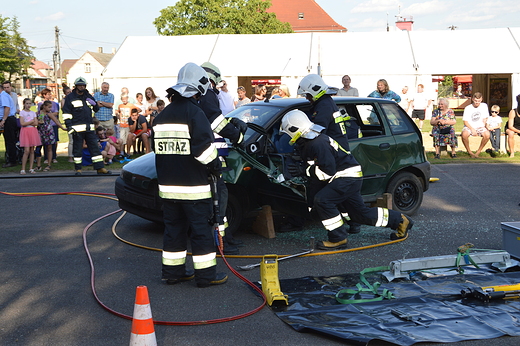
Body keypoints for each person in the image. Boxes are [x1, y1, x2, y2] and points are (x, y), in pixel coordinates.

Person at [280, 110, 414, 250]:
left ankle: (338, 238)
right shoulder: (311, 141)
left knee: (323, 200)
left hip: (346, 177)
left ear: (293, 129)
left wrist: (304, 171)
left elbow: (327, 172)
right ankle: (400, 221)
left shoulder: (317, 143)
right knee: (359, 214)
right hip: (350, 176)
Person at [155, 62, 227, 288]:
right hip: (194, 188)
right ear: (199, 88)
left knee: (173, 231)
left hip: (168, 188)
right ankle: (205, 276)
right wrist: (216, 165)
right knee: (201, 231)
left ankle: (173, 273)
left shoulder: (162, 115)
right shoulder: (195, 113)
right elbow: (203, 150)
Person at [293, 74, 361, 234]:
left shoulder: (323, 105)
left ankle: (302, 220)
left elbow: (316, 131)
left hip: (333, 153)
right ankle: (354, 221)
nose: (307, 98)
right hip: (338, 151)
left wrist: (299, 141)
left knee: (327, 190)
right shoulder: (325, 102)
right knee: (344, 194)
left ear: (314, 91)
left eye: (308, 95)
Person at [200, 62, 248, 254]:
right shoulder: (208, 93)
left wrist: (231, 120)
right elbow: (215, 121)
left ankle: (225, 238)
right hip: (211, 157)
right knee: (218, 200)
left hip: (209, 155)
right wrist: (237, 135)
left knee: (221, 198)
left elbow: (213, 120)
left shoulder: (198, 95)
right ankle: (220, 243)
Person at [62, 77, 111, 175]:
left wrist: (94, 104)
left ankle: (100, 168)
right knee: (77, 149)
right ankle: (78, 169)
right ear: (76, 86)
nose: (82, 87)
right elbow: (66, 113)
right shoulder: (70, 97)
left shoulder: (88, 95)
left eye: (83, 85)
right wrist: (69, 127)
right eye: (80, 85)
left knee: (95, 148)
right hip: (77, 128)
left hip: (89, 128)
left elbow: (96, 109)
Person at [36, 101, 66, 172]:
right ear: (44, 106)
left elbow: (56, 121)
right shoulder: (38, 113)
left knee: (49, 148)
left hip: (48, 131)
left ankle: (49, 164)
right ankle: (38, 165)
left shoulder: (49, 114)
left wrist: (62, 128)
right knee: (38, 148)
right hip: (40, 131)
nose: (50, 108)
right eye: (49, 107)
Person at [461, 92, 490, 158]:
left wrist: (486, 124)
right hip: (470, 126)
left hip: (481, 126)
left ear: (481, 99)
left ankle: (478, 152)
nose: (477, 102)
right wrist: (472, 129)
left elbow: (486, 117)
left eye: (479, 101)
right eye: (476, 101)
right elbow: (465, 122)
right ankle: (469, 152)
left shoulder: (484, 106)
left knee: (487, 135)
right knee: (464, 134)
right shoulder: (468, 108)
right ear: (473, 99)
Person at [19, 98, 41, 174]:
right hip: (25, 131)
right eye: (27, 103)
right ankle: (23, 168)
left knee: (32, 150)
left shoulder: (33, 113)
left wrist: (29, 122)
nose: (28, 105)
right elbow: (22, 123)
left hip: (32, 131)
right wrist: (31, 121)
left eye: (29, 103)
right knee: (26, 150)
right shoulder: (22, 113)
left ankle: (31, 168)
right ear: (24, 104)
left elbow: (36, 123)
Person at [38, 88, 60, 163]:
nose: (50, 95)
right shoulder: (40, 104)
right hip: (43, 127)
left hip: (52, 125)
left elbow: (56, 113)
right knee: (45, 142)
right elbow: (39, 114)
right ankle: (46, 157)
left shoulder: (54, 103)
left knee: (53, 141)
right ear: (44, 95)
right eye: (48, 94)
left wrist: (48, 114)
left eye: (50, 94)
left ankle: (54, 156)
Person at [1, 81, 18, 167]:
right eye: (5, 87)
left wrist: (3, 120)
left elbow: (7, 108)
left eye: (8, 87)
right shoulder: (5, 95)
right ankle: (11, 159)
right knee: (9, 140)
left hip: (8, 119)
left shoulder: (3, 96)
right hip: (8, 119)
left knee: (10, 141)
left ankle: (12, 160)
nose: (6, 89)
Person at [116, 93, 136, 158]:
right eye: (123, 99)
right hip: (122, 125)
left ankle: (128, 152)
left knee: (128, 139)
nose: (124, 100)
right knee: (122, 139)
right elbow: (117, 111)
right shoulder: (120, 105)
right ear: (121, 99)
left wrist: (133, 118)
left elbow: (138, 110)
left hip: (128, 125)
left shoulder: (131, 105)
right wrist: (118, 116)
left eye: (125, 99)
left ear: (127, 98)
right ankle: (122, 153)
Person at [60, 84, 74, 163]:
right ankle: (70, 157)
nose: (69, 93)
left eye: (70, 92)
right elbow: (65, 109)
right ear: (65, 93)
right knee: (71, 140)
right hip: (69, 121)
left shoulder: (73, 99)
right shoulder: (64, 100)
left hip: (76, 121)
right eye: (67, 92)